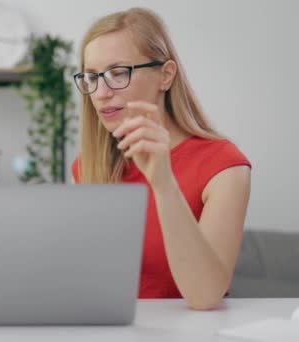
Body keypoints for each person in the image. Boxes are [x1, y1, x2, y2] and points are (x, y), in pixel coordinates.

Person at [71, 8, 251, 310]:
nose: (100, 92)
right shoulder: (87, 166)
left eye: (118, 73)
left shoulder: (224, 166)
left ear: (165, 75)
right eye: (92, 77)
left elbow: (205, 296)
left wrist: (163, 182)